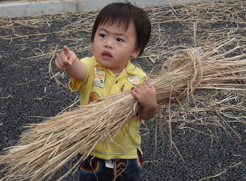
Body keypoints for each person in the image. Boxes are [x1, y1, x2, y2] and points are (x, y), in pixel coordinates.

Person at [55, 2, 157, 181]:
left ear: (135, 49)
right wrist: (69, 62)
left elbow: (144, 115)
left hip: (126, 155)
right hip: (92, 152)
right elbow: (79, 70)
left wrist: (150, 104)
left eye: (119, 39)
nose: (108, 44)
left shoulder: (139, 78)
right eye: (102, 35)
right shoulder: (91, 66)